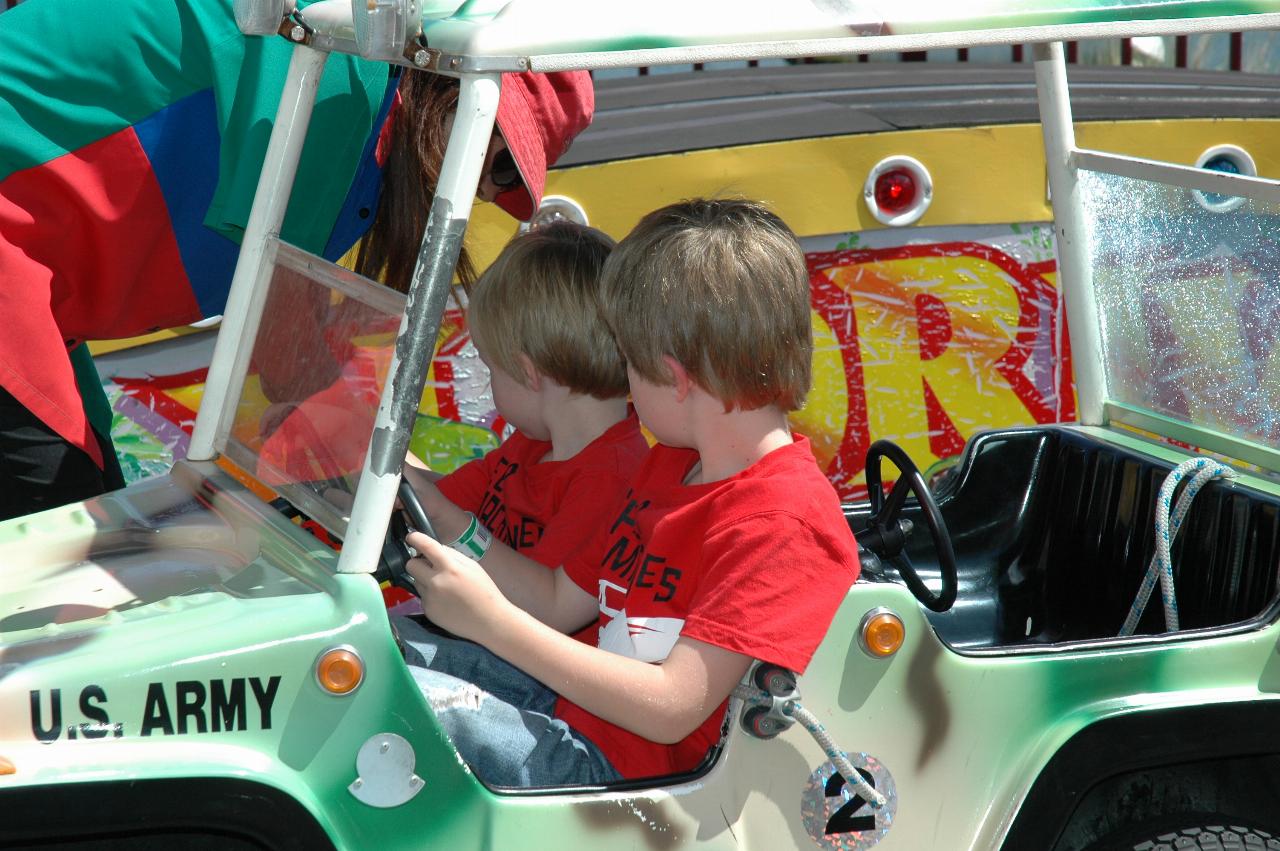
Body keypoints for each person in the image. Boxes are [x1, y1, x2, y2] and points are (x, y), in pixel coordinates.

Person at [0, 0, 593, 521]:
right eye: (505, 166)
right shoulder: (337, 71)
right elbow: (286, 351)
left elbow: (291, 343)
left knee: (92, 528)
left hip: (38, 296)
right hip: (14, 274)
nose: (489, 194)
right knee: (59, 571)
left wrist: (400, 474)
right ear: (455, 90)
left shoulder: (352, 82)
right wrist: (411, 485)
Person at [398, 198, 861, 786]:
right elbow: (558, 602)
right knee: (370, 658)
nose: (625, 390)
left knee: (389, 705)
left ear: (674, 376)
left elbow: (672, 708)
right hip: (564, 710)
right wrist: (460, 562)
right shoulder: (668, 468)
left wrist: (489, 623)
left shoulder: (784, 522)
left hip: (623, 776)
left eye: (630, 369)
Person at [403, 222, 649, 570]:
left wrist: (450, 521)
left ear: (529, 373)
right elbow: (443, 495)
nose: (491, 383)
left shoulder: (611, 480)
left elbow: (541, 601)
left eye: (492, 368)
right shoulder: (529, 447)